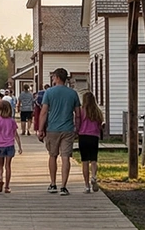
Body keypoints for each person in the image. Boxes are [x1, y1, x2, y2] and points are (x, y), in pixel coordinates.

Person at [38, 68, 81, 196]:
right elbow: (78, 114)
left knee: (53, 156)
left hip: (53, 129)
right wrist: (77, 128)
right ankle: (63, 186)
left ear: (57, 77)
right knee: (65, 157)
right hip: (68, 128)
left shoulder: (49, 92)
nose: (52, 79)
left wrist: (40, 129)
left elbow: (44, 112)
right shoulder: (73, 93)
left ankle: (53, 184)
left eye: (53, 77)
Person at [0, 100, 22, 193]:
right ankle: (7, 187)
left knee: (0, 164)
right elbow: (16, 134)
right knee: (8, 166)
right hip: (10, 145)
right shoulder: (12, 121)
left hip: (0, 145)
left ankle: (0, 179)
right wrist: (20, 147)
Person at [79, 91, 105, 193]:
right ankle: (94, 176)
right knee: (93, 160)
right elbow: (100, 124)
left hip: (83, 136)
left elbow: (78, 122)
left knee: (85, 161)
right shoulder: (97, 111)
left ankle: (87, 186)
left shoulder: (81, 111)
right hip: (94, 137)